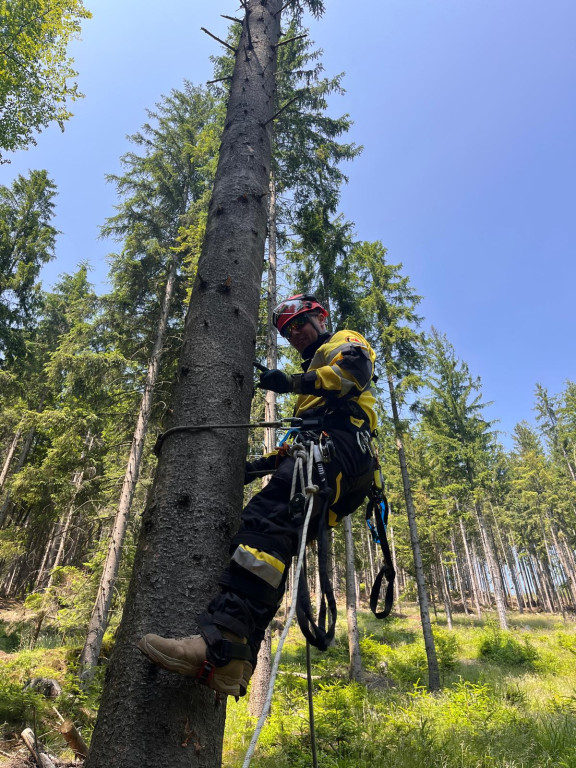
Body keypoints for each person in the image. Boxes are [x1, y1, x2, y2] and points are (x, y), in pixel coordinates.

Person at [138, 294, 378, 696]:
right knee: (274, 544)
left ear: (320, 317)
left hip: (341, 451)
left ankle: (221, 644)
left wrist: (290, 382)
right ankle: (234, 660)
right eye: (287, 332)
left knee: (264, 529)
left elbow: (355, 371)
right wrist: (248, 469)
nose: (294, 334)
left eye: (299, 323)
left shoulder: (342, 342)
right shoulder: (316, 394)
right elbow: (295, 444)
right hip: (334, 459)